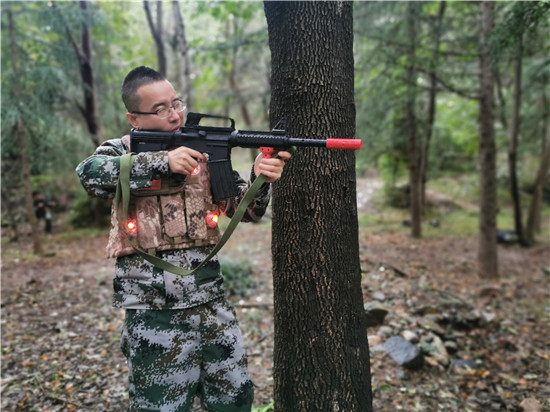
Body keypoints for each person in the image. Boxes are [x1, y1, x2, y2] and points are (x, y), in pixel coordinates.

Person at [76, 66, 291, 411]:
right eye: (161, 109)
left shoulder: (204, 153)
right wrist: (162, 161)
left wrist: (258, 177)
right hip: (153, 311)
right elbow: (89, 175)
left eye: (177, 103)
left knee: (235, 400)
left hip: (211, 302)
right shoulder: (121, 149)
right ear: (135, 117)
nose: (175, 114)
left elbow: (245, 211)